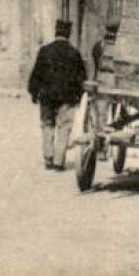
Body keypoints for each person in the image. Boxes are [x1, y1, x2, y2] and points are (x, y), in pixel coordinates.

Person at [28, 20, 87, 170]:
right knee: (64, 126)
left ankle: (48, 157)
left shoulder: (44, 51)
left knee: (47, 124)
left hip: (46, 96)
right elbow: (81, 78)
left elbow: (36, 74)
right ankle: (58, 161)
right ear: (69, 34)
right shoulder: (74, 53)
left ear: (56, 32)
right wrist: (78, 96)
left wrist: (34, 92)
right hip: (66, 97)